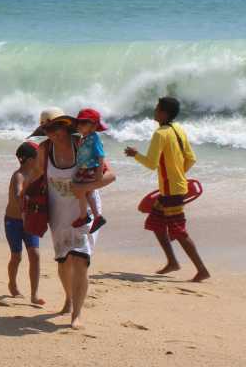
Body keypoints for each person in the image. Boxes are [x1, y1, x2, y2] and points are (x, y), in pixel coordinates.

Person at [31, 111, 116, 329]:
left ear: (66, 126)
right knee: (63, 261)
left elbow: (110, 175)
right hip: (58, 214)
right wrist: (23, 198)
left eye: (56, 127)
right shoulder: (44, 150)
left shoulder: (82, 145)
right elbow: (37, 176)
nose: (53, 133)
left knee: (80, 259)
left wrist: (85, 187)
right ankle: (68, 298)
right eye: (48, 129)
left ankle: (76, 314)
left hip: (84, 212)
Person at [125, 97, 210, 282]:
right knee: (156, 223)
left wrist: (135, 154)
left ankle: (202, 270)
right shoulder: (178, 129)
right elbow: (191, 158)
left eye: (157, 108)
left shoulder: (160, 134)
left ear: (164, 113)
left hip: (171, 191)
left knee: (179, 231)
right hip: (174, 187)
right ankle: (172, 262)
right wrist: (178, 174)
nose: (154, 111)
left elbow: (151, 163)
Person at [5, 142, 43, 305]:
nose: (40, 159)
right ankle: (12, 284)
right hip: (13, 222)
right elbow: (18, 194)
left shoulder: (39, 174)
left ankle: (34, 294)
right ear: (29, 160)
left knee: (35, 255)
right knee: (17, 256)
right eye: (38, 156)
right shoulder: (18, 175)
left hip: (30, 221)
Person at [71, 108, 108, 233]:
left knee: (80, 190)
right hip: (84, 169)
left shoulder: (94, 138)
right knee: (87, 193)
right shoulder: (84, 138)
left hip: (90, 170)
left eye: (83, 123)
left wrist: (99, 173)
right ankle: (97, 217)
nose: (79, 125)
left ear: (94, 125)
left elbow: (101, 155)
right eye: (78, 122)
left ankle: (84, 216)